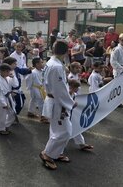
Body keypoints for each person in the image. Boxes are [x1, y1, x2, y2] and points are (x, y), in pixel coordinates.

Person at [40, 40, 77, 170]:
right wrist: (71, 103)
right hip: (58, 103)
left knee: (57, 130)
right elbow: (59, 90)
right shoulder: (56, 66)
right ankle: (47, 154)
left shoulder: (52, 62)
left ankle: (57, 152)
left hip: (55, 100)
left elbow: (59, 86)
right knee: (65, 131)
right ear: (67, 51)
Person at [67, 80, 94, 151]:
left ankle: (82, 144)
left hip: (71, 115)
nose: (78, 89)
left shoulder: (74, 95)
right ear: (71, 87)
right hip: (64, 115)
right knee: (64, 132)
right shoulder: (66, 94)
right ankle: (57, 150)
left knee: (75, 128)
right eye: (76, 87)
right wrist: (72, 104)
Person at [0, 63, 19, 135]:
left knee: (12, 114)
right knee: (2, 115)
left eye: (9, 71)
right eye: (6, 71)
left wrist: (13, 77)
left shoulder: (8, 78)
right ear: (0, 71)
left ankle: (5, 125)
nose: (8, 73)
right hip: (2, 100)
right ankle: (0, 128)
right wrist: (3, 104)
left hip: (9, 98)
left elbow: (16, 85)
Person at [26, 57, 49, 123]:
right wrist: (30, 88)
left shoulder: (42, 71)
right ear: (37, 64)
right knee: (41, 102)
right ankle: (42, 117)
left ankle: (30, 111)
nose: (43, 63)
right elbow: (28, 79)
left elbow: (44, 80)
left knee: (33, 100)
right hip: (35, 89)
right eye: (41, 62)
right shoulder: (33, 72)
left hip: (40, 88)